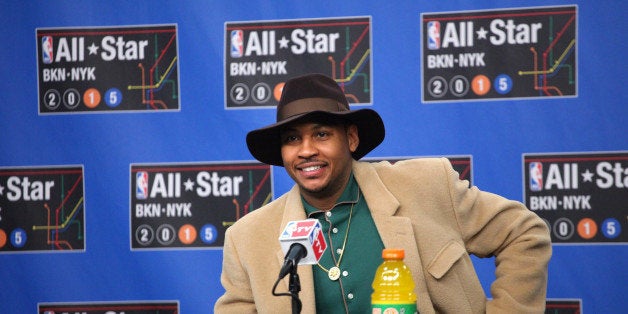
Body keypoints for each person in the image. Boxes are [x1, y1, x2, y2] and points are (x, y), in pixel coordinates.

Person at [214, 73, 552, 313]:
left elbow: (523, 232)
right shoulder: (248, 238)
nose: (305, 151)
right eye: (292, 139)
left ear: (351, 139)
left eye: (320, 134)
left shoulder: (427, 185)